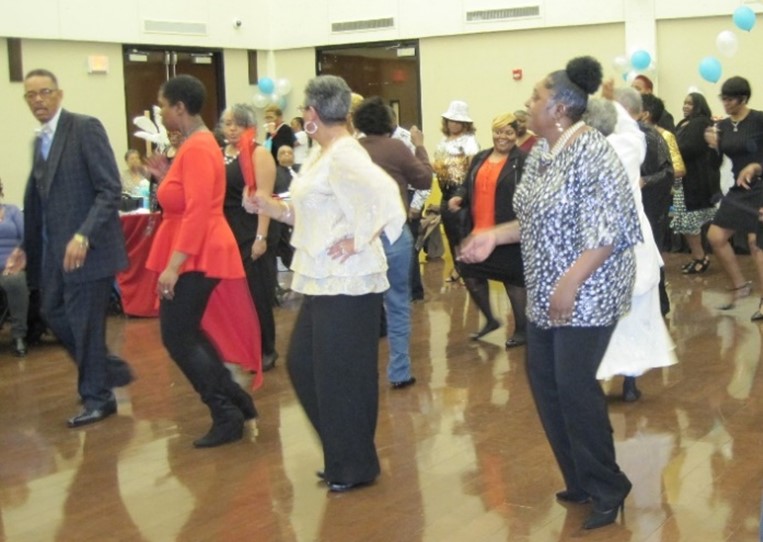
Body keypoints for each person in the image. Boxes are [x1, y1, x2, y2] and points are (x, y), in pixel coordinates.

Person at [459, 57, 641, 530]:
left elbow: (608, 233)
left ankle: (608, 484)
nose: (528, 103)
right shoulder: (542, 150)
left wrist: (570, 283)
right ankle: (580, 477)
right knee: (546, 385)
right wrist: (494, 236)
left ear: (559, 107)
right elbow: (536, 217)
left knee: (575, 389)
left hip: (586, 289)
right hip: (545, 286)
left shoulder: (594, 152)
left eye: (536, 97)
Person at [248, 75, 406, 492]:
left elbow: (388, 196)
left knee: (343, 376)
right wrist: (274, 209)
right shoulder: (324, 154)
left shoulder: (345, 154)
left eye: (304, 111)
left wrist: (360, 236)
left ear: (313, 114)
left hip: (348, 281)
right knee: (305, 365)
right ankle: (345, 453)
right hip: (323, 280)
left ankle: (353, 463)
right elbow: (313, 213)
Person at [145, 75, 261, 448]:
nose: (161, 112)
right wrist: (166, 178)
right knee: (187, 332)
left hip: (197, 250)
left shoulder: (196, 147)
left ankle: (224, 410)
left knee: (177, 335)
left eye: (163, 105)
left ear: (180, 107)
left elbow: (196, 212)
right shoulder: (197, 145)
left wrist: (174, 265)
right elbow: (189, 198)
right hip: (200, 247)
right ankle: (233, 399)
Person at [15, 68, 133, 427]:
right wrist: (25, 247)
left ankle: (98, 398)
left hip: (89, 249)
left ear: (59, 94)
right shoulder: (40, 142)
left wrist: (84, 235)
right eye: (31, 95)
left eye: (45, 92)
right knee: (51, 311)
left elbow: (110, 188)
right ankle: (106, 367)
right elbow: (37, 201)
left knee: (85, 325)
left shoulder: (84, 128)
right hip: (54, 253)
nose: (38, 100)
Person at [585, 93, 678, 402]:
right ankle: (629, 382)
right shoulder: (630, 143)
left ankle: (598, 379)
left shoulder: (591, 149)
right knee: (637, 314)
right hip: (631, 242)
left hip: (601, 242)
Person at [353, 96, 433, 388]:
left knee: (362, 306)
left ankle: (360, 373)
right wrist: (421, 146)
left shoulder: (351, 150)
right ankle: (399, 371)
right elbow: (424, 179)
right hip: (393, 234)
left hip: (360, 237)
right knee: (398, 302)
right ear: (389, 123)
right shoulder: (397, 147)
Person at [449, 112, 527, 348]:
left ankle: (523, 330)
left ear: (516, 135)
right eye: (498, 131)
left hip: (506, 232)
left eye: (508, 132)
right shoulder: (481, 157)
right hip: (477, 231)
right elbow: (466, 184)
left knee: (513, 284)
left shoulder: (522, 161)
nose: (502, 137)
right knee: (470, 273)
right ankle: (491, 320)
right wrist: (459, 196)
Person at [220, 104, 279, 372]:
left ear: (249, 127)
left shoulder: (259, 154)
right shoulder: (220, 155)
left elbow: (264, 199)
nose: (232, 129)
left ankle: (266, 349)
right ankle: (243, 346)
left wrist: (261, 236)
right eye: (228, 123)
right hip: (226, 230)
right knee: (234, 295)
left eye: (238, 124)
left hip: (252, 228)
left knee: (257, 293)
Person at [704, 76, 763, 318]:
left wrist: (756, 166)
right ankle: (740, 286)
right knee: (715, 236)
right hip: (741, 188)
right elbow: (716, 163)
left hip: (761, 184)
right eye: (723, 99)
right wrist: (714, 147)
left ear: (743, 99)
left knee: (755, 243)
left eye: (730, 99)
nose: (726, 104)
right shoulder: (724, 126)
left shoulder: (759, 119)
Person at [616, 87, 674, 316]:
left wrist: (644, 181)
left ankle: (659, 304)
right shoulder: (615, 136)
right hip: (625, 206)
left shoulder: (650, 136)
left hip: (650, 206)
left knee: (651, 255)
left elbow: (668, 172)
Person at [673, 93, 721, 274]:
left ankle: (701, 257)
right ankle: (697, 256)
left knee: (691, 221)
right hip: (683, 180)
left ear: (699, 105)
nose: (685, 106)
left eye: (690, 103)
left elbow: (690, 148)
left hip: (695, 181)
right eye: (684, 102)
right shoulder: (684, 123)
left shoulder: (700, 122)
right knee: (685, 222)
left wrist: (672, 148)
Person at [433, 100, 480, 282]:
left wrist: (464, 193)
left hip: (460, 192)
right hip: (444, 191)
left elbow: (472, 168)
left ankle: (466, 269)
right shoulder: (443, 141)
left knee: (463, 231)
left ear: (464, 123)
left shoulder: (469, 141)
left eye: (456, 121)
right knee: (451, 233)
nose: (452, 124)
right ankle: (457, 266)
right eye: (450, 120)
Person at [0, 177, 29, 356]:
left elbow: (27, 236)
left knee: (16, 281)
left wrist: (17, 256)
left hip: (13, 263)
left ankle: (19, 335)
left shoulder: (12, 211)